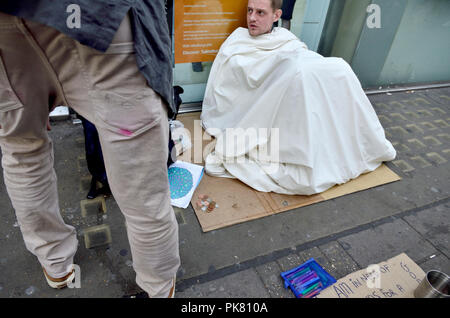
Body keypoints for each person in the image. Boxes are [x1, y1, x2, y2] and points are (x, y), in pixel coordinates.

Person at [0, 0, 180, 298]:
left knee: (23, 150)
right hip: (96, 14)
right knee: (140, 177)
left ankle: (55, 263)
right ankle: (158, 285)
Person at [201, 0, 396, 195]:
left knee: (340, 69)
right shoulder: (238, 39)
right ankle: (310, 152)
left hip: (300, 71)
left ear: (276, 16)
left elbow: (300, 53)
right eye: (250, 11)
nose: (252, 18)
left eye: (260, 13)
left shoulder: (285, 37)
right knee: (299, 75)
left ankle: (351, 143)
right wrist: (279, 68)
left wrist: (289, 65)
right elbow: (236, 76)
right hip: (281, 81)